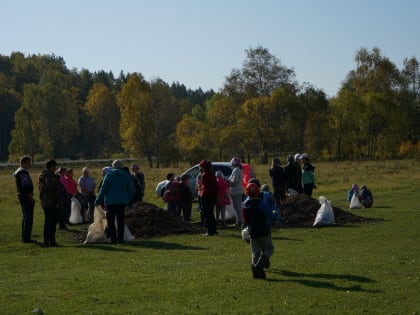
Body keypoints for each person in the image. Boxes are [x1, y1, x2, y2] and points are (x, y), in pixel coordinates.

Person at [95, 160, 134, 244]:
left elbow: (103, 189)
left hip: (110, 202)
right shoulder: (126, 175)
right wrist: (131, 201)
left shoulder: (109, 175)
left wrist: (98, 200)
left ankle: (113, 239)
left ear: (113, 166)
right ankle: (120, 239)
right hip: (122, 201)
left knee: (110, 221)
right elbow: (131, 189)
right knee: (121, 220)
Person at [242, 182, 274, 279]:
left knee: (255, 252)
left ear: (247, 193)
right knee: (269, 249)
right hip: (263, 230)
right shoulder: (261, 203)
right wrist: (275, 215)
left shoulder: (244, 205)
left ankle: (256, 272)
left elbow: (245, 220)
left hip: (252, 231)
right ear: (258, 192)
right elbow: (270, 215)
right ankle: (259, 265)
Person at [39, 159, 63, 247]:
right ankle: (51, 241)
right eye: (55, 166)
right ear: (52, 166)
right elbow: (52, 190)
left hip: (46, 202)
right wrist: (56, 202)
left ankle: (47, 241)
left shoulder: (44, 175)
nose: (56, 167)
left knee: (48, 222)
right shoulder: (50, 176)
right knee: (51, 222)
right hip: (51, 202)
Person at [13, 156, 36, 243]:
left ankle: (25, 236)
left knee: (26, 217)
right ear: (23, 163)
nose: (30, 164)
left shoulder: (19, 171)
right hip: (26, 197)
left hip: (22, 196)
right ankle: (27, 238)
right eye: (28, 162)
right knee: (28, 217)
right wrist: (31, 197)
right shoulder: (23, 173)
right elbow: (25, 186)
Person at [199, 160, 218, 236]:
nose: (201, 168)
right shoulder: (212, 174)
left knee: (206, 214)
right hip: (212, 196)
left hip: (206, 196)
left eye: (202, 167)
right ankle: (213, 229)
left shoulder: (205, 175)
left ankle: (209, 231)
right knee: (211, 213)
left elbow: (205, 187)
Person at [228, 157, 243, 226]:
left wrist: (228, 182)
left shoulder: (236, 170)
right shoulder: (237, 170)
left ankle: (239, 221)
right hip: (237, 191)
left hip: (236, 191)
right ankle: (239, 221)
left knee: (237, 207)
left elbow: (234, 181)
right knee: (237, 207)